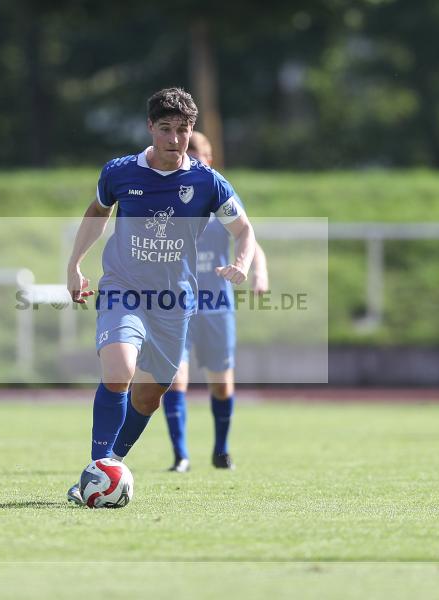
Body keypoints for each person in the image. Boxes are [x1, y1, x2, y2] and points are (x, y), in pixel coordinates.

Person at [65, 88, 257, 505]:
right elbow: (97, 213)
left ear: (192, 131)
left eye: (183, 130)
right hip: (123, 288)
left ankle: (111, 463)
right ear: (150, 127)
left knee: (149, 397)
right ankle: (95, 473)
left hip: (174, 302)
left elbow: (243, 229)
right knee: (119, 370)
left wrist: (241, 262)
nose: (174, 139)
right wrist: (75, 264)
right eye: (166, 129)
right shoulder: (120, 173)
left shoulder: (207, 181)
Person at [162, 132, 269, 472]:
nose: (195, 159)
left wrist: (258, 273)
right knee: (173, 379)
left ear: (210, 158)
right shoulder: (167, 198)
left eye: (201, 153)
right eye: (189, 154)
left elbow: (249, 239)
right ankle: (181, 455)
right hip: (176, 306)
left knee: (221, 384)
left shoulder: (221, 196)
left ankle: (221, 450)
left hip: (215, 306)